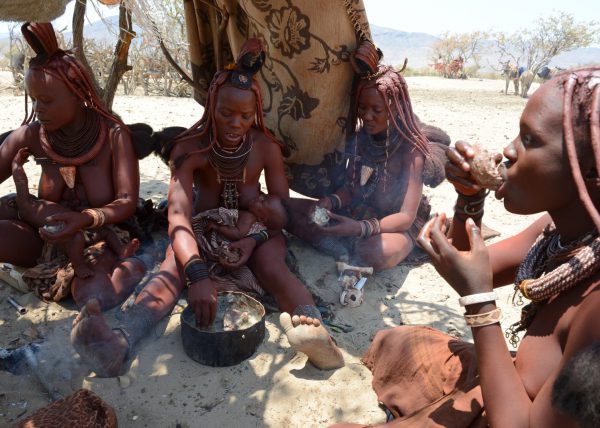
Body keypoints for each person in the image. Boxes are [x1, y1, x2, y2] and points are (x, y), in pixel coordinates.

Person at [332, 66, 600, 427]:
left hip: (513, 416)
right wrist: (469, 200)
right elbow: (471, 263)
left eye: (530, 140)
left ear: (591, 173)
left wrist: (479, 303)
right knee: (397, 343)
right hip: (508, 378)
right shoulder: (558, 231)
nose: (508, 150)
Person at [71, 39, 344, 377]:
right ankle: (120, 342)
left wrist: (251, 239)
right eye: (226, 113)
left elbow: (280, 211)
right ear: (210, 106)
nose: (235, 123)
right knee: (172, 270)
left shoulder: (265, 147)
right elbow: (179, 219)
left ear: (255, 113)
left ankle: (319, 335)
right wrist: (197, 272)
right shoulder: (190, 148)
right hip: (202, 230)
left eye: (245, 116)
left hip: (254, 229)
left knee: (274, 268)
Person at [0, 23, 145, 309]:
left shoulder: (114, 134)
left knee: (92, 293)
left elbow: (127, 202)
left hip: (98, 240)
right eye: (34, 99)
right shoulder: (32, 134)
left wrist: (86, 218)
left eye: (47, 100)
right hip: (44, 238)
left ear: (77, 95)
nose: (38, 109)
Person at [287, 41, 431, 270]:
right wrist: (330, 201)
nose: (368, 116)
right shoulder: (360, 139)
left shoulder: (411, 151)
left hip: (395, 227)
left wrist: (359, 228)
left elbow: (405, 217)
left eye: (377, 110)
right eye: (362, 109)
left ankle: (346, 245)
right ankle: (342, 245)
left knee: (373, 253)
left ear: (395, 108)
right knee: (286, 209)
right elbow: (352, 189)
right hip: (358, 212)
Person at [11, 147, 140, 279]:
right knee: (77, 238)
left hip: (81, 226)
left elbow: (21, 183)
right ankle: (79, 266)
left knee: (105, 231)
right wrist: (16, 166)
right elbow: (20, 181)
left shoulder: (31, 204)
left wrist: (17, 165)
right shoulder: (26, 206)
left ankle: (120, 250)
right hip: (64, 234)